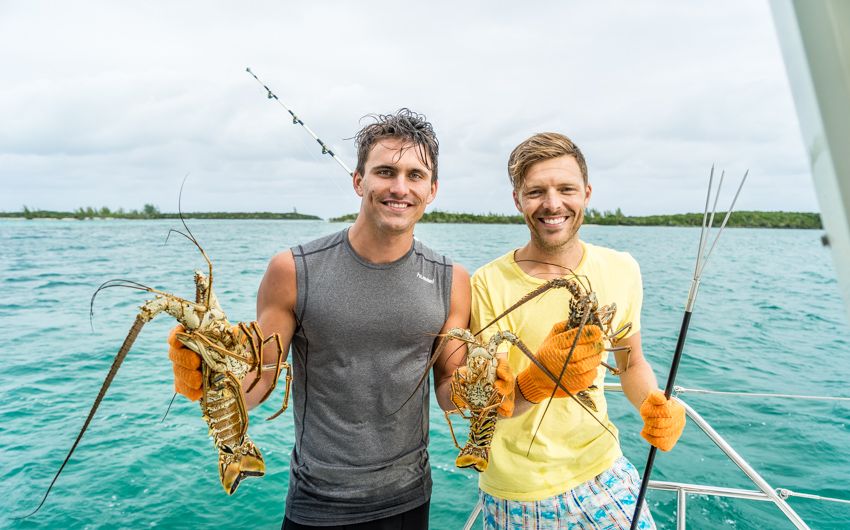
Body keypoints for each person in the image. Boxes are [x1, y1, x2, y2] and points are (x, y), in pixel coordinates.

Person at [168, 109, 471, 529]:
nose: (400, 187)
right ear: (358, 180)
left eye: (415, 175)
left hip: (410, 497)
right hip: (318, 502)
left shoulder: (452, 280)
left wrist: (494, 387)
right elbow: (262, 378)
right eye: (385, 171)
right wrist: (211, 376)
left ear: (432, 189)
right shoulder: (291, 270)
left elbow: (449, 391)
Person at [469, 132, 686, 529]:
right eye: (536, 192)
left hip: (603, 467)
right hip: (519, 489)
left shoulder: (622, 268)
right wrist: (539, 381)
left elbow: (630, 360)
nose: (553, 204)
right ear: (518, 200)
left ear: (586, 193)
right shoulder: (488, 283)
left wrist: (653, 404)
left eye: (566, 189)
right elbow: (485, 411)